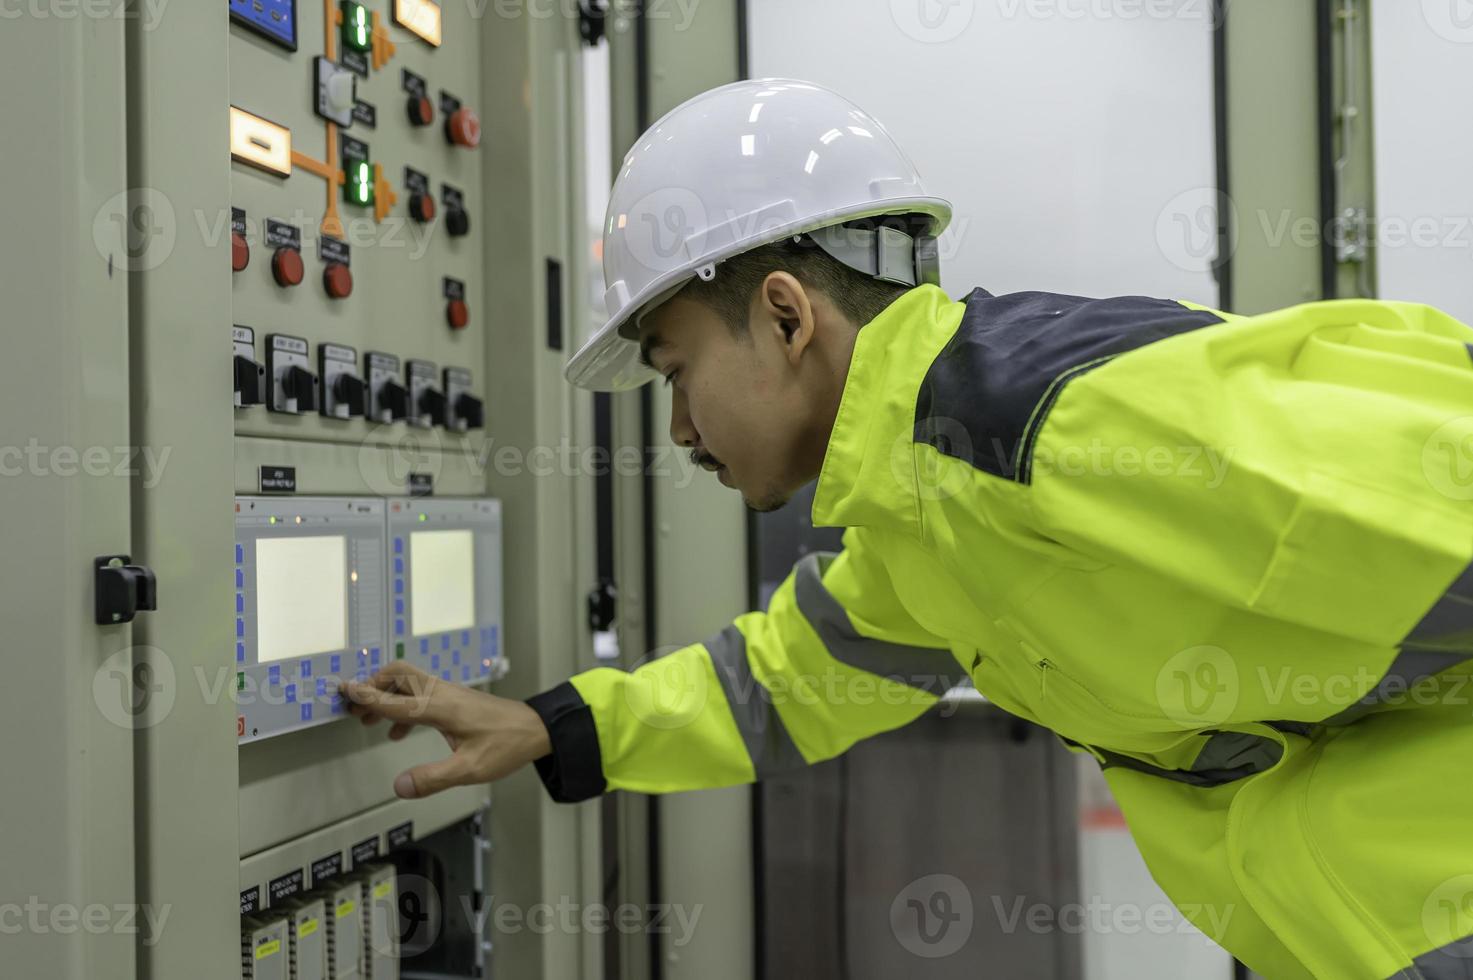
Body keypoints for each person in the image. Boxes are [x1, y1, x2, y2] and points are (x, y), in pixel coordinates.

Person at [342, 79, 1473, 979]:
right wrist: (549, 726)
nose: (681, 426)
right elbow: (782, 682)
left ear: (786, 316)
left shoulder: (1052, 428)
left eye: (679, 373)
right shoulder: (921, 514)